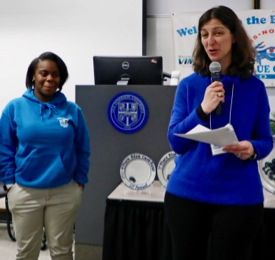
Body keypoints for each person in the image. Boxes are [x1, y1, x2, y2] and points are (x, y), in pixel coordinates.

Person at [164, 6, 273, 260]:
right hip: (187, 195)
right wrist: (202, 109)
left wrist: (252, 148)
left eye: (218, 33)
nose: (210, 41)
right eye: (204, 34)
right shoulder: (190, 85)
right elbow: (175, 142)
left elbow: (266, 140)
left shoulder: (255, 88)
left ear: (234, 36)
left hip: (239, 197)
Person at [0, 52, 91, 260]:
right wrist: (9, 185)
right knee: (26, 253)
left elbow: (83, 148)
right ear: (33, 76)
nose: (50, 79)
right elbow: (4, 148)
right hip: (25, 192)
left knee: (62, 252)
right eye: (44, 73)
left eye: (56, 74)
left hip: (64, 192)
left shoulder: (72, 110)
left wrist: (79, 182)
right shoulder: (14, 108)